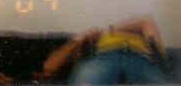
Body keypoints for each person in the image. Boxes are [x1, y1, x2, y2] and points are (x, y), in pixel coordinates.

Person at [42, 16, 171, 84]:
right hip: (102, 57)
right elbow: (49, 66)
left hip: (141, 58)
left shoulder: (147, 41)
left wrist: (108, 30)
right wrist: (81, 37)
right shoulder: (90, 41)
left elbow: (145, 21)